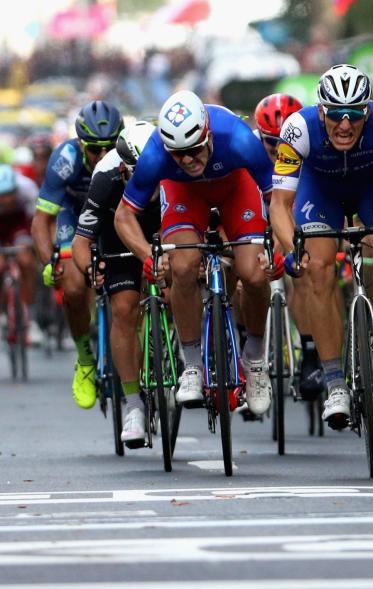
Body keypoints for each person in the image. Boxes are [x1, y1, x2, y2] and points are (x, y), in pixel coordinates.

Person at [268, 64, 373, 430]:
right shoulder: (297, 128)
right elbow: (279, 204)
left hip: (372, 184)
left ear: (367, 111)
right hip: (319, 190)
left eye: (355, 114)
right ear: (322, 110)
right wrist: (291, 247)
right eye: (336, 114)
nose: (345, 124)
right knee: (316, 268)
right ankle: (335, 384)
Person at [114, 90, 274, 416]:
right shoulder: (157, 154)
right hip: (186, 195)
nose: (187, 160)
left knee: (254, 274)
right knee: (183, 265)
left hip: (236, 190)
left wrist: (279, 248)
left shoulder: (239, 138)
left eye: (194, 150)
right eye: (178, 153)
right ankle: (192, 366)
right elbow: (123, 215)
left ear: (209, 135)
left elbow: (279, 198)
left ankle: (254, 359)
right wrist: (149, 256)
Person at [72, 121, 160, 447]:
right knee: (123, 308)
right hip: (117, 231)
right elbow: (83, 242)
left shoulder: (171, 165)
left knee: (178, 280)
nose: (145, 185)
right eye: (136, 176)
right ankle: (134, 405)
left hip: (163, 224)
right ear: (123, 167)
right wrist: (89, 270)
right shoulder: (105, 177)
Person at [32, 100, 123, 409]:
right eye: (94, 149)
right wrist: (49, 263)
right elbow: (42, 220)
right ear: (80, 143)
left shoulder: (128, 157)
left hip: (113, 216)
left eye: (109, 147)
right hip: (74, 218)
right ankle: (85, 359)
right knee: (71, 284)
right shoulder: (66, 159)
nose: (102, 156)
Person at [253, 92, 325, 396]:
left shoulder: (304, 145)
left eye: (284, 141)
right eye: (272, 143)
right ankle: (247, 343)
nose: (279, 149)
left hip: (292, 212)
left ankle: (309, 353)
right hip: (255, 211)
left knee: (301, 273)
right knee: (247, 278)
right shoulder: (249, 151)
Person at [0, 165, 39, 308]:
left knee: (26, 260)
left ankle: (29, 307)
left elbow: (37, 222)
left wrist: (34, 244)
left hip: (20, 223)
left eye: (10, 193)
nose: (7, 200)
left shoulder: (28, 188)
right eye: (2, 196)